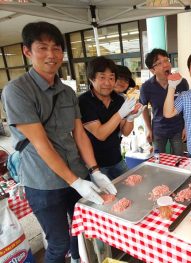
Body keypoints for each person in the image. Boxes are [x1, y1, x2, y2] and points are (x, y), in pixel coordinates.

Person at [1, 21, 117, 263]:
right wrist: (76, 181)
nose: (51, 55)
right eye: (42, 48)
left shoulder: (66, 92)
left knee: (80, 231)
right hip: (43, 182)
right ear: (27, 51)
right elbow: (41, 143)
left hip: (75, 172)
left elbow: (80, 134)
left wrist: (94, 171)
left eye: (56, 49)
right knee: (58, 242)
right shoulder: (17, 90)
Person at [79, 57, 144, 180]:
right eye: (102, 77)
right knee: (105, 198)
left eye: (111, 78)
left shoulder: (119, 100)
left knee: (129, 189)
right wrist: (120, 114)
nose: (108, 83)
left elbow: (125, 131)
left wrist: (130, 118)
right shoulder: (84, 101)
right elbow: (100, 134)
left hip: (117, 159)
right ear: (92, 78)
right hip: (96, 166)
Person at [140, 48, 189, 156]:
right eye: (159, 63)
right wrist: (148, 129)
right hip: (158, 130)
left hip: (178, 129)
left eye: (166, 60)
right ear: (152, 70)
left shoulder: (182, 82)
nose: (165, 65)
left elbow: (187, 106)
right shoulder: (146, 87)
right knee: (159, 159)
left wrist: (186, 127)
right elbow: (143, 108)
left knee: (179, 159)